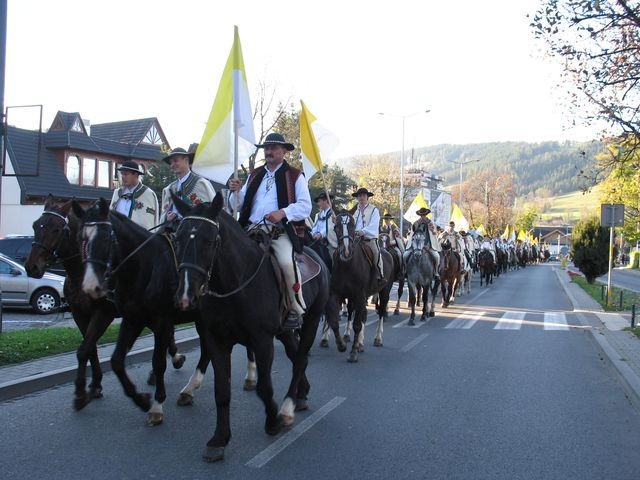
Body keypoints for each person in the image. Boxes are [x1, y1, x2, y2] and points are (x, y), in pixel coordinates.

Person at [228, 133, 311, 330]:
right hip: (249, 230)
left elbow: (306, 206)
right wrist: (235, 192)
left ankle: (294, 307)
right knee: (226, 257)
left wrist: (283, 212)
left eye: (274, 148)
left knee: (285, 262)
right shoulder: (254, 174)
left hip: (277, 232)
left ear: (284, 151)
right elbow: (236, 207)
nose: (269, 151)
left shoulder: (295, 175)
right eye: (267, 148)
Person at [159, 147, 216, 231]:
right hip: (171, 231)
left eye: (175, 161)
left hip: (195, 234)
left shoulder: (201, 183)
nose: (172, 165)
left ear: (186, 160)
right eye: (170, 163)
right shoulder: (169, 189)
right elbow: (163, 215)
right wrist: (167, 217)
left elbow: (213, 212)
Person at [109, 160, 158, 231]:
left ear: (136, 175)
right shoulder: (117, 193)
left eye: (125, 174)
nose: (123, 177)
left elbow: (149, 223)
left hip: (138, 240)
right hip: (116, 238)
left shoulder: (148, 194)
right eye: (122, 174)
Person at [351, 187, 385, 287]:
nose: (361, 197)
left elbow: (374, 224)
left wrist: (363, 231)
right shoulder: (354, 210)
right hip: (355, 239)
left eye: (363, 195)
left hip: (369, 240)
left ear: (367, 197)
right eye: (359, 196)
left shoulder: (374, 209)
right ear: (357, 198)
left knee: (376, 253)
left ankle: (380, 275)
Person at [405, 207, 440, 278]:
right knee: (405, 255)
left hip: (428, 246)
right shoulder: (416, 223)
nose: (422, 217)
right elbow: (413, 232)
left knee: (437, 257)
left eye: (424, 215)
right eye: (421, 215)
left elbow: (433, 234)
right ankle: (405, 271)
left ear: (426, 215)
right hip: (416, 246)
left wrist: (428, 245)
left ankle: (436, 272)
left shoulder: (430, 223)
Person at [310, 192, 338, 257]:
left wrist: (320, 234)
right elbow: (315, 227)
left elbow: (330, 227)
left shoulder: (333, 214)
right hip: (317, 241)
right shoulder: (318, 215)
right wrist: (311, 234)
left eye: (319, 201)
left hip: (329, 243)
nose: (318, 204)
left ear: (325, 201)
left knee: (331, 258)